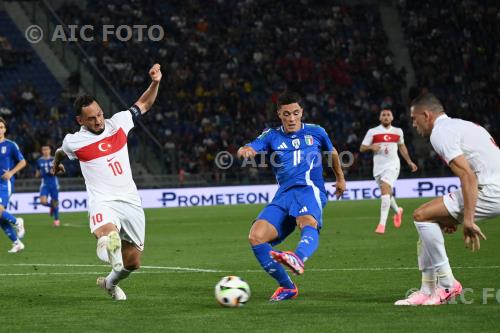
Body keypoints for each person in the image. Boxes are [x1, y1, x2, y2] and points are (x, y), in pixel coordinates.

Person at [52, 63, 162, 300]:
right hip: (103, 201)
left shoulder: (119, 123)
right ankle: (106, 242)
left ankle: (110, 283)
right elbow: (60, 151)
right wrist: (56, 164)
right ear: (80, 120)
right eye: (91, 119)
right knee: (106, 233)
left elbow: (144, 104)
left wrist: (155, 82)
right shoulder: (74, 141)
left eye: (100, 114)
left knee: (132, 263)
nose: (99, 121)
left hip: (131, 201)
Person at [238, 91, 346, 301]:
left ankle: (298, 256)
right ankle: (287, 287)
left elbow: (332, 152)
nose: (292, 118)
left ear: (302, 112)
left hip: (309, 189)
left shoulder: (316, 132)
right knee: (256, 236)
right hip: (284, 194)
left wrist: (340, 178)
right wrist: (245, 150)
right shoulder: (271, 135)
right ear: (279, 114)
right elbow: (251, 146)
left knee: (306, 221)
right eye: (286, 114)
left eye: (296, 113)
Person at [395, 93, 500, 306]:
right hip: (491, 184)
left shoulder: (440, 133)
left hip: (491, 189)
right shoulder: (461, 125)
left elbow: (467, 176)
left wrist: (468, 219)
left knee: (421, 216)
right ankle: (426, 290)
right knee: (429, 219)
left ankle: (446, 284)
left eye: (415, 119)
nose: (414, 125)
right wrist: (449, 216)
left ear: (426, 115)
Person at [360, 109, 418, 234]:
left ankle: (382, 224)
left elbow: (402, 147)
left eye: (388, 115)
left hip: (393, 165)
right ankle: (398, 211)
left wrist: (409, 161)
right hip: (378, 167)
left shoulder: (398, 131)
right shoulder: (373, 132)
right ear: (380, 118)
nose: (386, 117)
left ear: (392, 118)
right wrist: (371, 147)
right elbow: (362, 147)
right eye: (383, 115)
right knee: (387, 192)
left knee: (385, 189)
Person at [0, 117, 26, 253]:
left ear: (5, 129)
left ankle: (17, 222)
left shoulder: (10, 145)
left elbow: (23, 162)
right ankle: (17, 243)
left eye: (1, 127)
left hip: (4, 183)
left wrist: (11, 172)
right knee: (0, 218)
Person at [35, 145, 60, 227]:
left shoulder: (54, 159)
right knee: (43, 202)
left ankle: (56, 220)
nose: (45, 151)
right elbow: (38, 172)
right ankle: (52, 207)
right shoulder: (39, 161)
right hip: (45, 184)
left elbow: (59, 170)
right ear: (42, 151)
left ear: (50, 150)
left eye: (47, 149)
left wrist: (55, 171)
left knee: (55, 201)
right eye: (43, 149)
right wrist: (37, 175)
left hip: (53, 184)